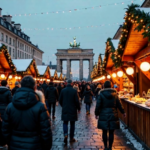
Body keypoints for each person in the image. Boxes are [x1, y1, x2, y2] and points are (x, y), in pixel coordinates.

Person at [2, 76, 52, 150]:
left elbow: (5, 129)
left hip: (14, 145)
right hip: (34, 145)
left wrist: (8, 142)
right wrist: (46, 146)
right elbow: (46, 131)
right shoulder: (40, 107)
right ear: (34, 87)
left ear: (21, 86)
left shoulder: (10, 106)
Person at [95, 80, 126, 150]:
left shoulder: (101, 94)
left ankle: (106, 147)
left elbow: (98, 105)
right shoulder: (115, 94)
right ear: (111, 86)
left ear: (104, 86)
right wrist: (123, 112)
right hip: (113, 114)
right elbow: (119, 104)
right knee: (111, 131)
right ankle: (110, 147)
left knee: (105, 131)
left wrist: (96, 113)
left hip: (103, 114)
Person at [59, 80, 81, 145]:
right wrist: (78, 108)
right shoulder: (74, 91)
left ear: (66, 83)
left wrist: (63, 105)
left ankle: (65, 134)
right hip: (73, 109)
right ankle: (71, 138)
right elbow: (77, 101)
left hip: (65, 109)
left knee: (65, 122)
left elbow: (60, 100)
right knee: (72, 124)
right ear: (71, 84)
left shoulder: (63, 90)